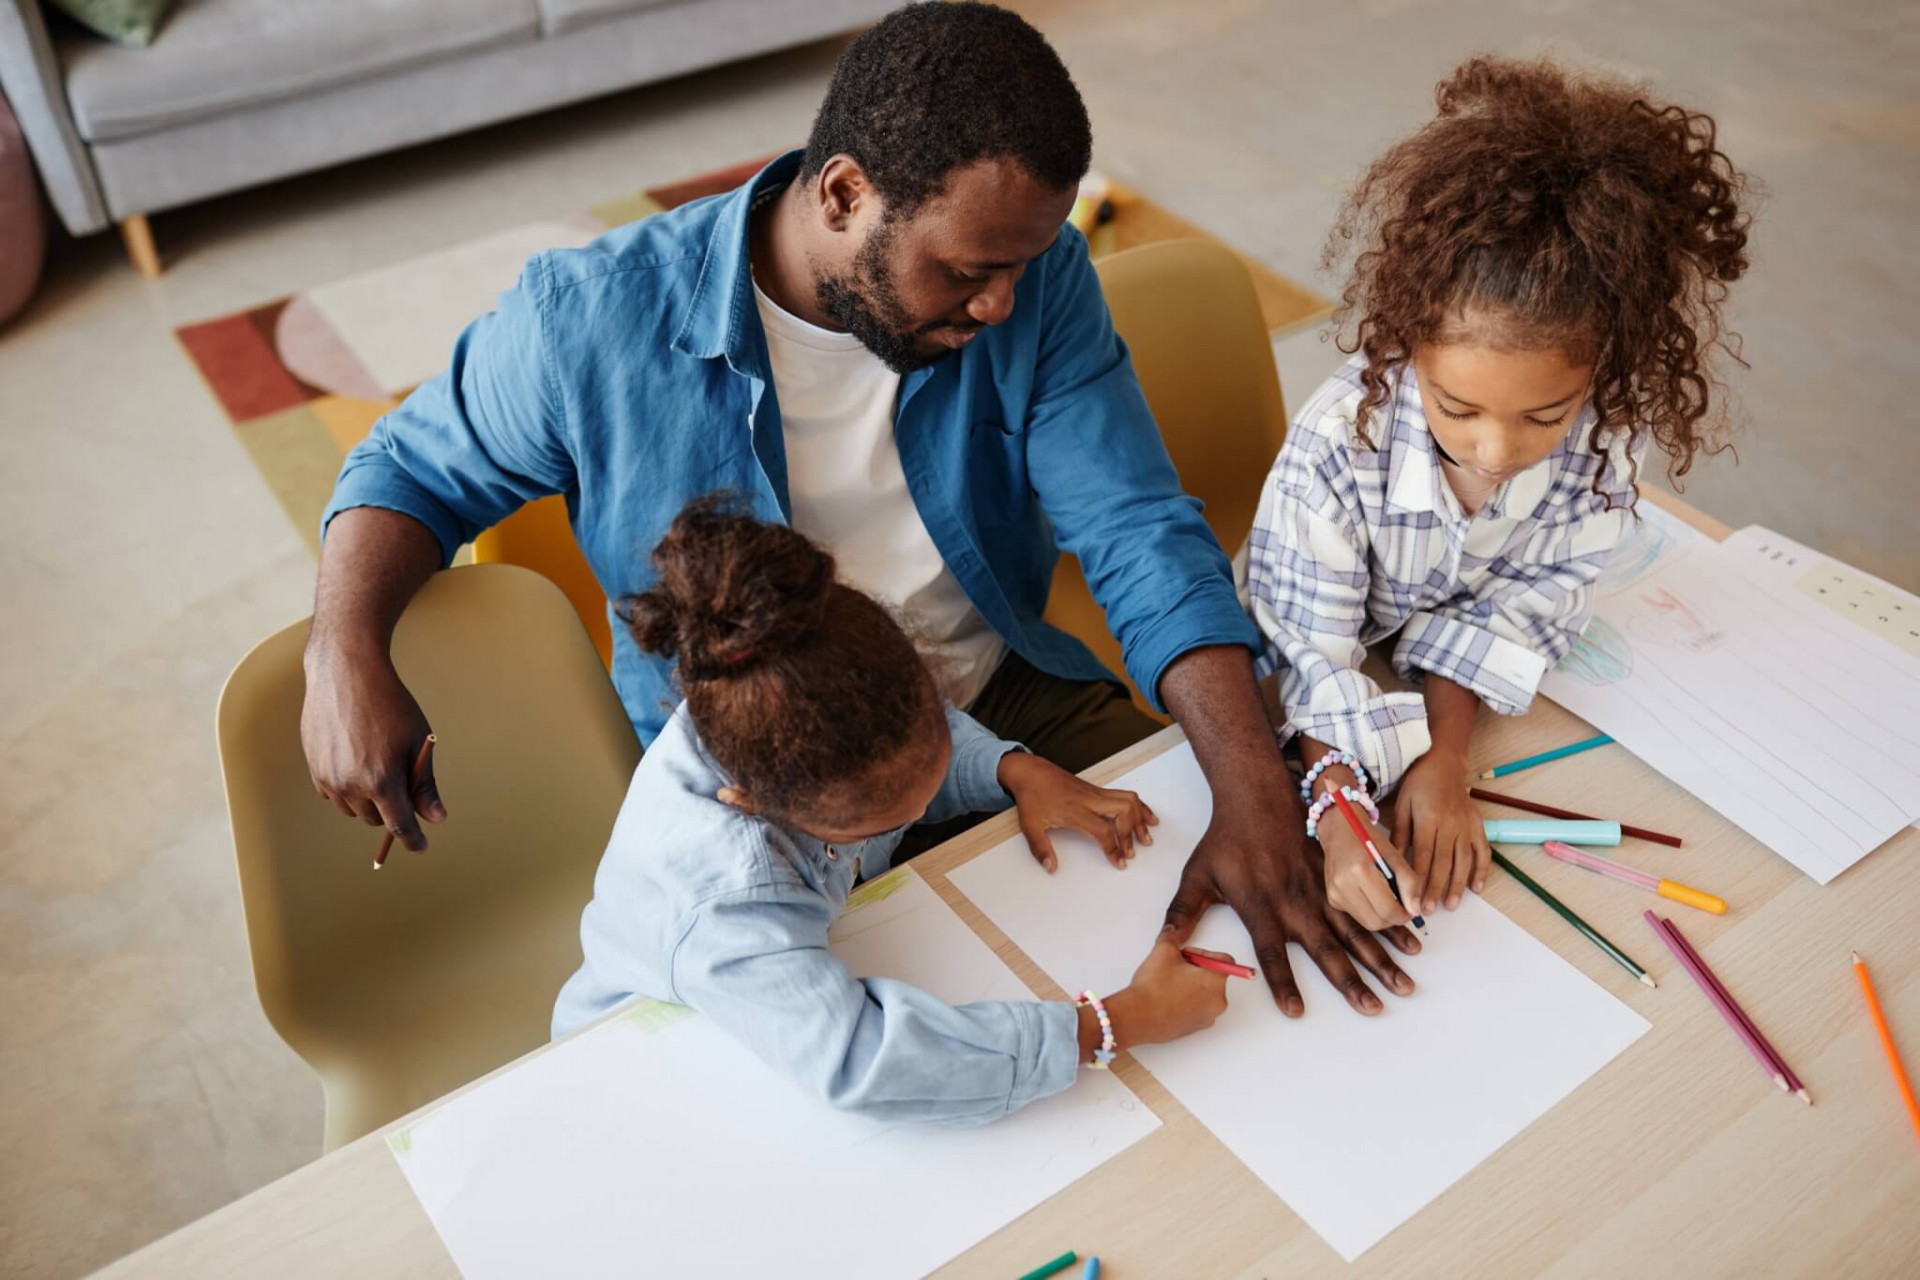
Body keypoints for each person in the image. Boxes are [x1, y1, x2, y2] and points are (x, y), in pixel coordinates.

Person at [303, 1, 1419, 1017]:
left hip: (1000, 707)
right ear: (843, 193)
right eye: (969, 269)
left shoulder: (1038, 281)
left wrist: (1253, 783)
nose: (1001, 304)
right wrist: (344, 650)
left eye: (1022, 266)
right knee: (851, 1068)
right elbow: (405, 472)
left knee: (1219, 924)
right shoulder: (585, 321)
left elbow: (1136, 528)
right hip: (777, 776)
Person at [1240, 56, 1752, 930]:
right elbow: (1310, 651)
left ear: (1601, 370)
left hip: (1424, 680)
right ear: (1409, 345)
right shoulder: (1337, 446)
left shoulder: (1598, 448)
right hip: (1297, 655)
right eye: (1457, 407)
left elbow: (1513, 608)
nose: (1495, 449)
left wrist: (1444, 759)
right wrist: (1335, 810)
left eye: (1544, 414)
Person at [551, 497, 1231, 1121]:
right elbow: (868, 1062)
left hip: (796, 977)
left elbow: (912, 743)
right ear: (759, 806)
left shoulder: (778, 695)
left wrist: (1009, 768)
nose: (918, 804)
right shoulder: (727, 899)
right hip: (650, 1062)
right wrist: (1119, 1022)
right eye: (884, 822)